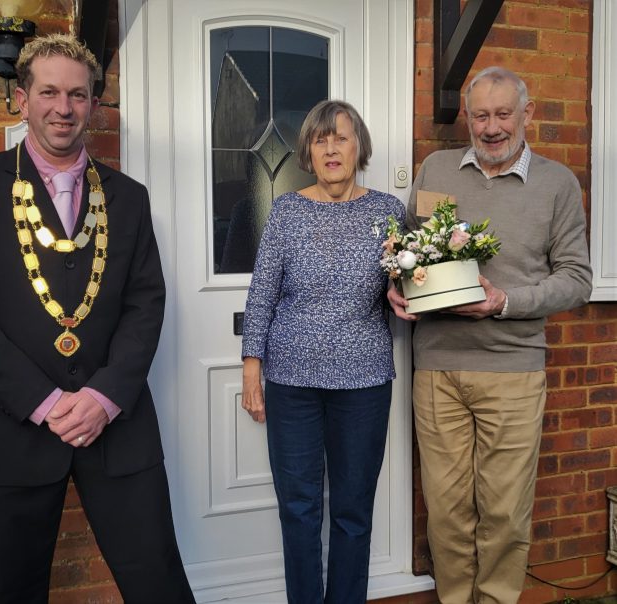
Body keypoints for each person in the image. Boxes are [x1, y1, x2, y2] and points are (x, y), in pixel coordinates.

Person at [0, 34, 195, 603]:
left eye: (78, 95)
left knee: (160, 585)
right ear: (21, 98)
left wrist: (102, 398)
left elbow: (145, 303)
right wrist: (47, 403)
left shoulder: (129, 196)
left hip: (115, 426)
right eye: (48, 92)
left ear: (94, 105)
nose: (63, 108)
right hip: (11, 431)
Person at [387, 66, 592, 603]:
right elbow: (409, 254)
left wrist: (504, 302)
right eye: (481, 115)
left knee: (502, 511)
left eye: (504, 114)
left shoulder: (556, 184)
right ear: (469, 119)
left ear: (527, 115)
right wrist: (397, 286)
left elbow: (577, 280)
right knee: (448, 510)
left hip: (513, 372)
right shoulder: (435, 169)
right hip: (437, 371)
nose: (492, 127)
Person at [241, 99, 405, 604]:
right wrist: (253, 372)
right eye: (320, 139)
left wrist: (406, 295)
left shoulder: (388, 211)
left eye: (341, 136)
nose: (331, 147)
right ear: (307, 152)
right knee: (300, 508)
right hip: (293, 383)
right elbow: (263, 292)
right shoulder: (288, 210)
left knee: (354, 509)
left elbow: (403, 286)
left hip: (364, 382)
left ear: (360, 146)